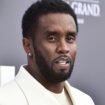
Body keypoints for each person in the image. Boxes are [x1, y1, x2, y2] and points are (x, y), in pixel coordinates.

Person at [0, 0, 95, 105]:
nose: (64, 48)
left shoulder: (85, 101)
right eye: (52, 38)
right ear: (28, 46)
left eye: (70, 38)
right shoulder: (4, 100)